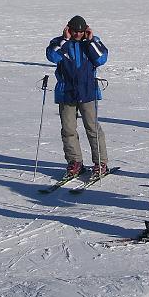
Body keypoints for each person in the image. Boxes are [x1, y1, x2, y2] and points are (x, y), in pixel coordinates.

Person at [46, 15, 109, 179]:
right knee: (68, 129)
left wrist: (91, 41)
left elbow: (101, 59)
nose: (78, 34)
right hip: (66, 92)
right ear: (68, 29)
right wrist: (64, 40)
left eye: (81, 32)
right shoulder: (59, 43)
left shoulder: (92, 42)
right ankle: (75, 162)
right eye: (75, 31)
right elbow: (52, 56)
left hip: (88, 92)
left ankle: (100, 162)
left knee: (92, 128)